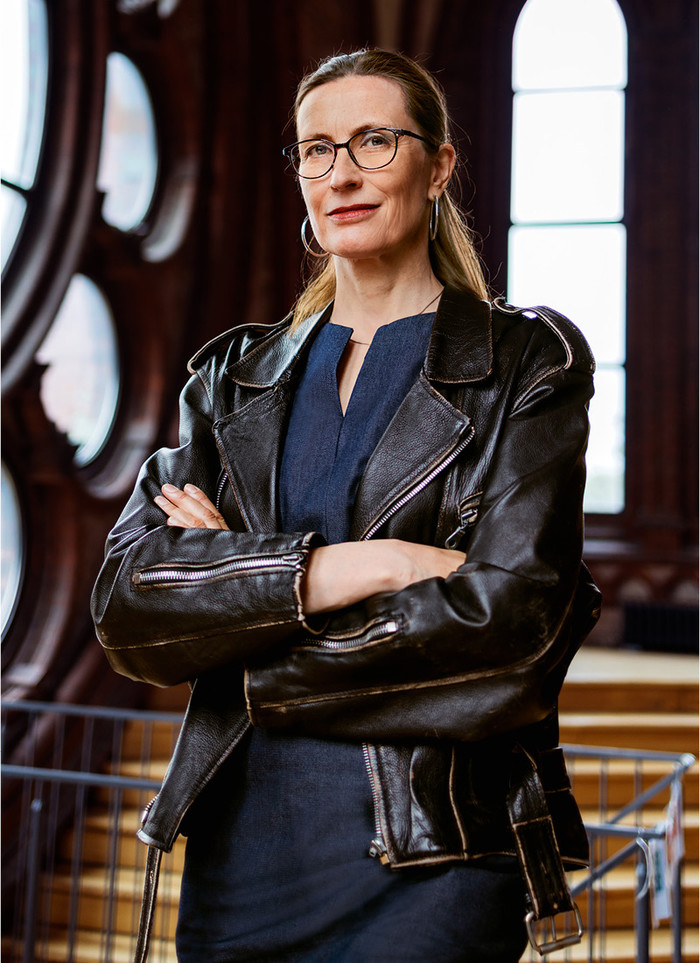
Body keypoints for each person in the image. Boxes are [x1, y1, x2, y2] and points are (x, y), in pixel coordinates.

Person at [91, 48, 601, 963]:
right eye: (316, 150)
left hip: (436, 854)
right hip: (241, 851)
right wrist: (373, 563)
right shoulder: (230, 376)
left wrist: (243, 618)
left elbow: (513, 626)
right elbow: (130, 607)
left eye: (375, 141)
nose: (343, 174)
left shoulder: (529, 361)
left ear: (438, 165)